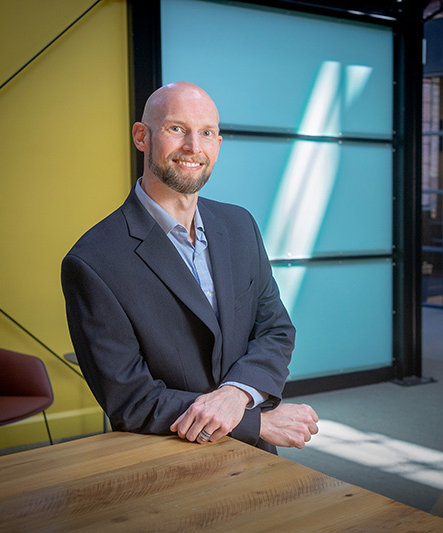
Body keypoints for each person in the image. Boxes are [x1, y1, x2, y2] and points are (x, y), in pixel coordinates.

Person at [61, 81, 318, 453]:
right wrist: (254, 421)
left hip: (256, 456)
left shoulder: (240, 225)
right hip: (167, 459)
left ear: (218, 144)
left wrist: (235, 395)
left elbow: (275, 330)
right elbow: (131, 400)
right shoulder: (92, 261)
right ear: (141, 137)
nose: (193, 148)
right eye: (176, 129)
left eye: (207, 133)